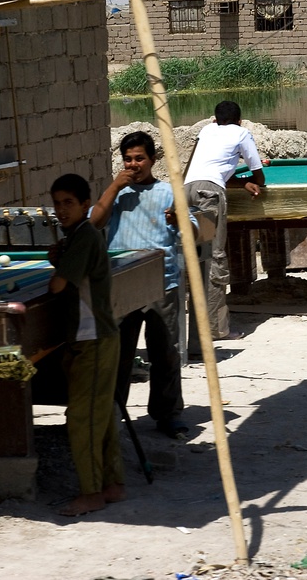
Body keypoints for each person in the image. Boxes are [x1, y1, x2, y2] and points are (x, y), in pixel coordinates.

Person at [90, 131, 196, 439]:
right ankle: (114, 411)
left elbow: (191, 228)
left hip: (162, 281)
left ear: (152, 160)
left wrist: (178, 221)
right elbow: (94, 222)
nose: (133, 164)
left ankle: (168, 414)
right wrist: (114, 187)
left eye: (140, 158)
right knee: (118, 353)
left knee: (165, 351)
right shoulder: (117, 194)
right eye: (128, 159)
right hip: (122, 282)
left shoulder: (167, 192)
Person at [48, 173, 124, 516]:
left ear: (84, 205)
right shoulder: (80, 236)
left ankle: (91, 492)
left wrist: (58, 267)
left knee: (82, 419)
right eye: (57, 203)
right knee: (103, 415)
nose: (61, 210)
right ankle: (112, 484)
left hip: (92, 339)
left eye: (68, 203)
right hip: (99, 338)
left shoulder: (83, 236)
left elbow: (59, 286)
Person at [183, 100, 265, 343]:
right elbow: (259, 175)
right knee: (214, 258)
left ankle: (196, 322)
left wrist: (239, 181)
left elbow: (201, 169)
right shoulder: (242, 133)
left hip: (187, 190)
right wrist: (249, 180)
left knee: (196, 256)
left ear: (214, 119)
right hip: (209, 196)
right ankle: (216, 329)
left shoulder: (206, 130)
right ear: (239, 120)